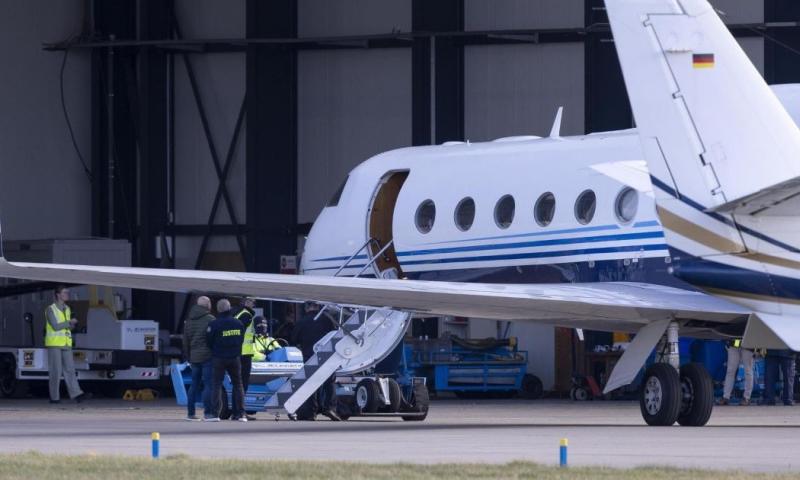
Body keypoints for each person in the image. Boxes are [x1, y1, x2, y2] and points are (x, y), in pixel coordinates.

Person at [291, 303, 340, 421]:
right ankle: (330, 408)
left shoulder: (301, 322)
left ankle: (311, 413)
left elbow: (293, 340)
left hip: (309, 357)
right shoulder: (328, 319)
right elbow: (336, 335)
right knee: (330, 383)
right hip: (327, 356)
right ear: (318, 307)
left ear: (307, 308)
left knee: (310, 385)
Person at [45, 286, 88, 404]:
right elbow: (55, 326)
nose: (67, 294)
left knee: (70, 369)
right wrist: (69, 322)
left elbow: (66, 327)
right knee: (56, 371)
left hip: (66, 343)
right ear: (58, 294)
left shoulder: (67, 308)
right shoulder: (50, 309)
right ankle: (54, 397)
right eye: (65, 292)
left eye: (67, 292)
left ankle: (77, 394)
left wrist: (72, 325)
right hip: (54, 344)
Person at [206, 298, 247, 422]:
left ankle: (214, 414)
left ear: (218, 309)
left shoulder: (214, 324)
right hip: (235, 358)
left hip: (219, 357)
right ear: (229, 308)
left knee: (216, 385)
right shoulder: (238, 323)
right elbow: (241, 340)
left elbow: (209, 341)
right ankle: (240, 414)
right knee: (238, 385)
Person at [183, 296, 215, 421]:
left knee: (194, 385)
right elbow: (213, 339)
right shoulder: (210, 319)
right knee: (208, 385)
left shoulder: (189, 321)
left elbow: (185, 341)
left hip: (194, 357)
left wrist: (188, 357)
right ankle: (208, 413)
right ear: (207, 305)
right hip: (208, 356)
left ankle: (190, 414)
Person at [718, 338, 754, 406]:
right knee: (730, 371)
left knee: (748, 371)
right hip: (734, 343)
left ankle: (747, 397)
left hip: (748, 344)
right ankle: (726, 397)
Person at [233, 297, 256, 394]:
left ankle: (237, 406)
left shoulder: (238, 313)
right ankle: (239, 406)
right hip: (244, 354)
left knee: (238, 382)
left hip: (238, 352)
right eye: (253, 302)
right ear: (247, 302)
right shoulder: (246, 315)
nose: (254, 305)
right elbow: (240, 332)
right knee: (243, 382)